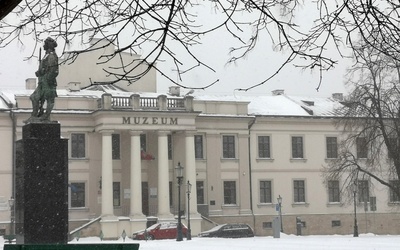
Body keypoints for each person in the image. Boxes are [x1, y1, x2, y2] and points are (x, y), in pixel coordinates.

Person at [25, 37, 59, 123]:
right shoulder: (47, 55)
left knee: (49, 99)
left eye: (45, 44)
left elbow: (53, 70)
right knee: (34, 97)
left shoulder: (51, 56)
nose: (43, 45)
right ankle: (35, 115)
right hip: (42, 82)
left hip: (47, 82)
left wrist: (46, 78)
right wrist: (39, 72)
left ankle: (46, 116)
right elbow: (44, 69)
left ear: (48, 45)